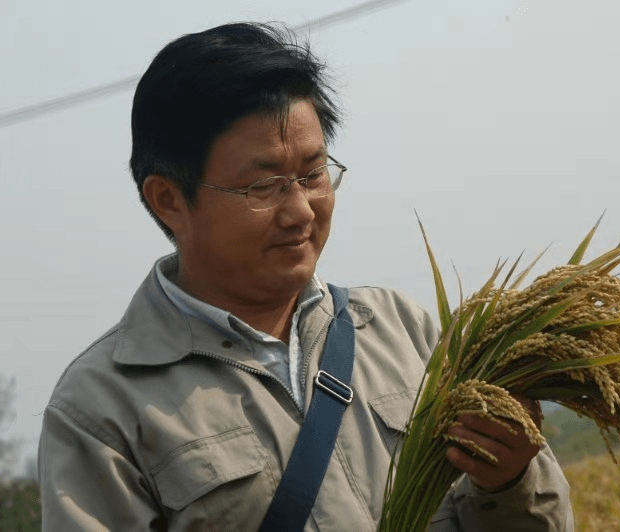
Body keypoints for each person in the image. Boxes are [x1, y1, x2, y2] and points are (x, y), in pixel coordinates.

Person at [38, 22, 574, 531]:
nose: (301, 210)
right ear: (169, 199)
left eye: (314, 173)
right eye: (263, 186)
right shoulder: (101, 409)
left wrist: (509, 480)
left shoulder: (403, 332)